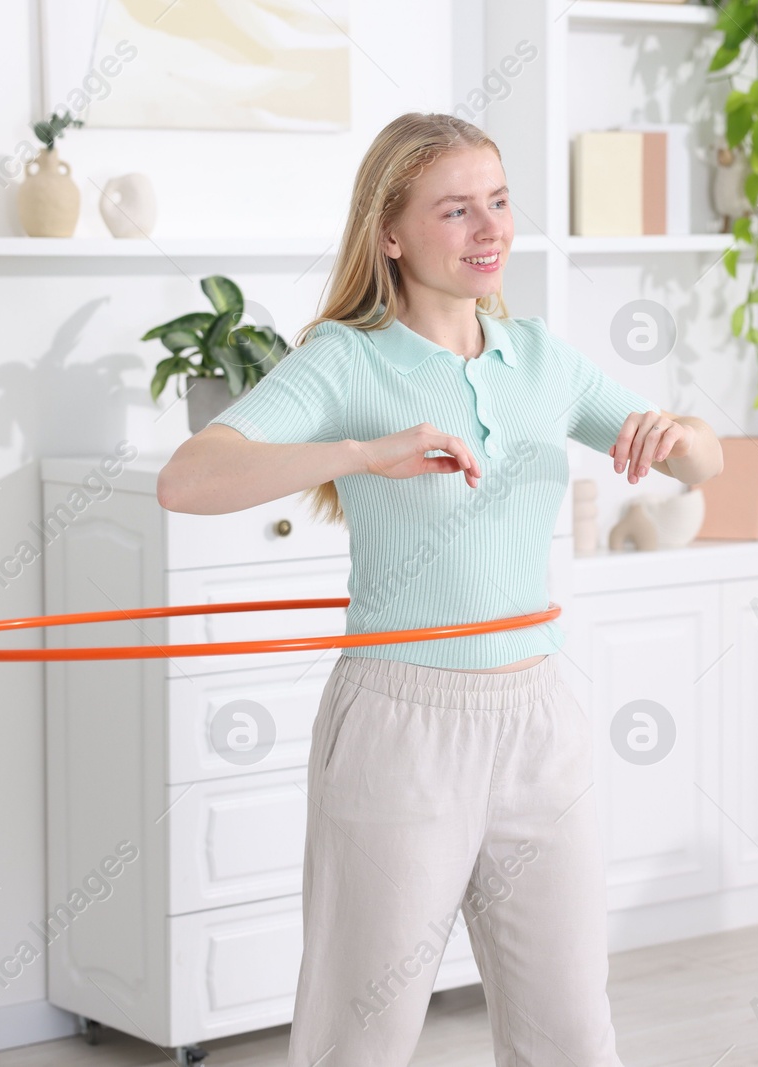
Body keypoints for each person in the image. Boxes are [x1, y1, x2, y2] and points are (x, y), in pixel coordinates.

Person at [157, 112, 722, 1067]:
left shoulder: (541, 358)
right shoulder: (349, 358)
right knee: (360, 1039)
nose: (489, 229)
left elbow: (704, 466)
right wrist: (363, 454)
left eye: (497, 203)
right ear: (391, 233)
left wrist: (678, 435)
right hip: (400, 722)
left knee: (575, 1036)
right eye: (456, 210)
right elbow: (189, 478)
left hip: (539, 717)